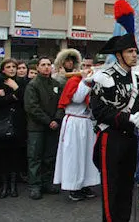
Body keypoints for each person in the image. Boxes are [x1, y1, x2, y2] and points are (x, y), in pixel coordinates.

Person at [90, 0, 139, 222]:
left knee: (127, 187)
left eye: (135, 51)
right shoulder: (104, 77)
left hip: (130, 138)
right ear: (119, 54)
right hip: (110, 137)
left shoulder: (138, 76)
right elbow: (99, 111)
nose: (134, 55)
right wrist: (129, 118)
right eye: (130, 51)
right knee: (111, 188)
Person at [53, 58, 100, 202]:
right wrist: (85, 82)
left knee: (87, 156)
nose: (87, 68)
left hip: (87, 122)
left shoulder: (96, 81)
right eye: (84, 66)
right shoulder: (74, 81)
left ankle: (86, 184)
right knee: (74, 156)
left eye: (89, 66)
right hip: (74, 122)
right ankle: (74, 187)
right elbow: (78, 98)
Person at [24, 56, 64, 200]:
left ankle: (47, 183)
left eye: (48, 64)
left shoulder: (56, 83)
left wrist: (57, 119)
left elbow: (62, 103)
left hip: (53, 126)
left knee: (50, 157)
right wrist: (48, 121)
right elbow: (32, 107)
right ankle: (35, 186)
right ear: (38, 67)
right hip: (37, 127)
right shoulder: (33, 85)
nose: (46, 67)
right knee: (35, 157)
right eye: (43, 64)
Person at [0, 59, 26, 199]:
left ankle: (14, 185)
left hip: (17, 124)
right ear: (3, 70)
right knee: (3, 156)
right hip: (1, 124)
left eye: (14, 67)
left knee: (15, 156)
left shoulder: (21, 83)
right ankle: (4, 185)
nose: (12, 69)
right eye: (8, 67)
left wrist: (16, 89)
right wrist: (11, 97)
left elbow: (25, 100)